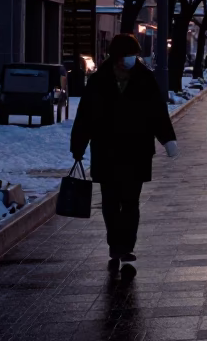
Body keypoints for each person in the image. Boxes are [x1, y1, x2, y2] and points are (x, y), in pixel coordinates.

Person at [70, 34, 177, 270]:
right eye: (125, 56)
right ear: (115, 57)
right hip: (106, 149)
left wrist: (168, 139)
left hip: (136, 150)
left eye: (132, 56)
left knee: (130, 201)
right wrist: (78, 145)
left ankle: (126, 246)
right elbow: (85, 116)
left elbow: (157, 112)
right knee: (110, 201)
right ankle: (114, 244)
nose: (129, 60)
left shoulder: (145, 79)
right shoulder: (98, 81)